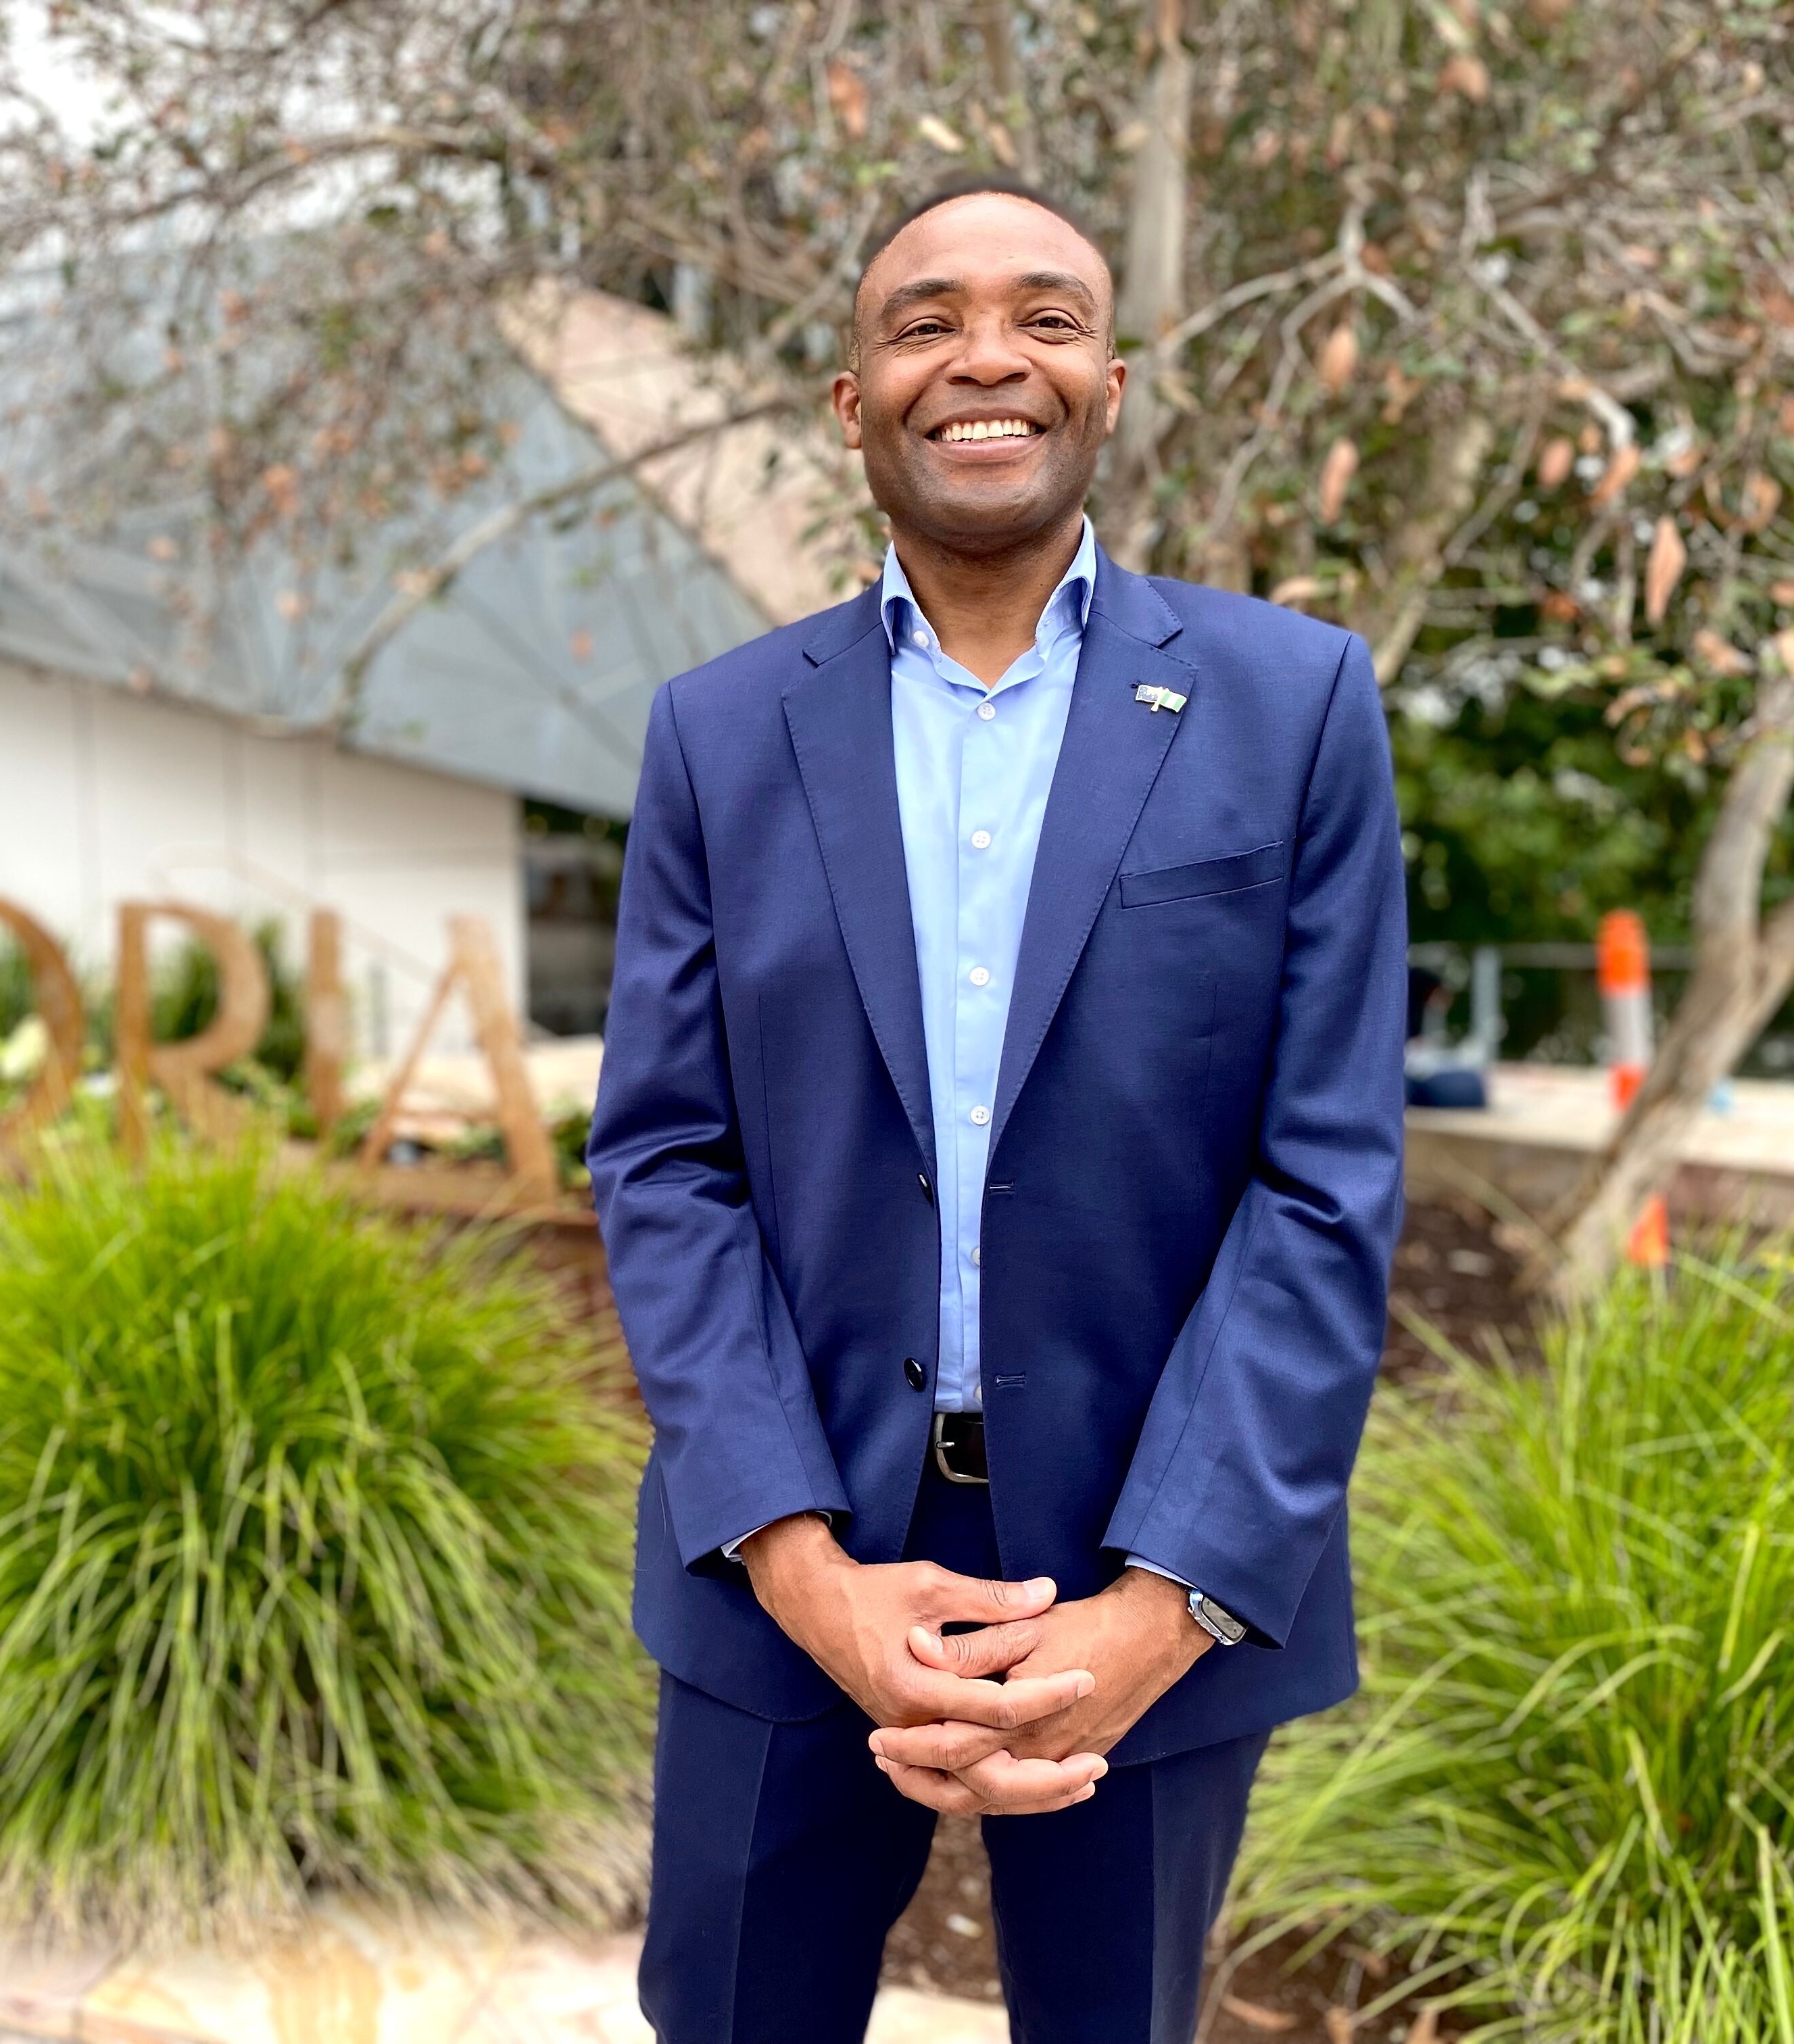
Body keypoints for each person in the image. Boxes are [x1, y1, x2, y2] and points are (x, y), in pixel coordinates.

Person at [585, 178, 1407, 2044]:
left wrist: (1163, 1602)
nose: (986, 358)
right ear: (853, 400)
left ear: (1111, 385)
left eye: (1045, 318)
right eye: (924, 321)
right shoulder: (720, 734)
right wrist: (801, 1567)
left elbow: (1327, 1179)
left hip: (1149, 1549)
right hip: (780, 1550)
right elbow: (662, 1156)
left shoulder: (1293, 706)